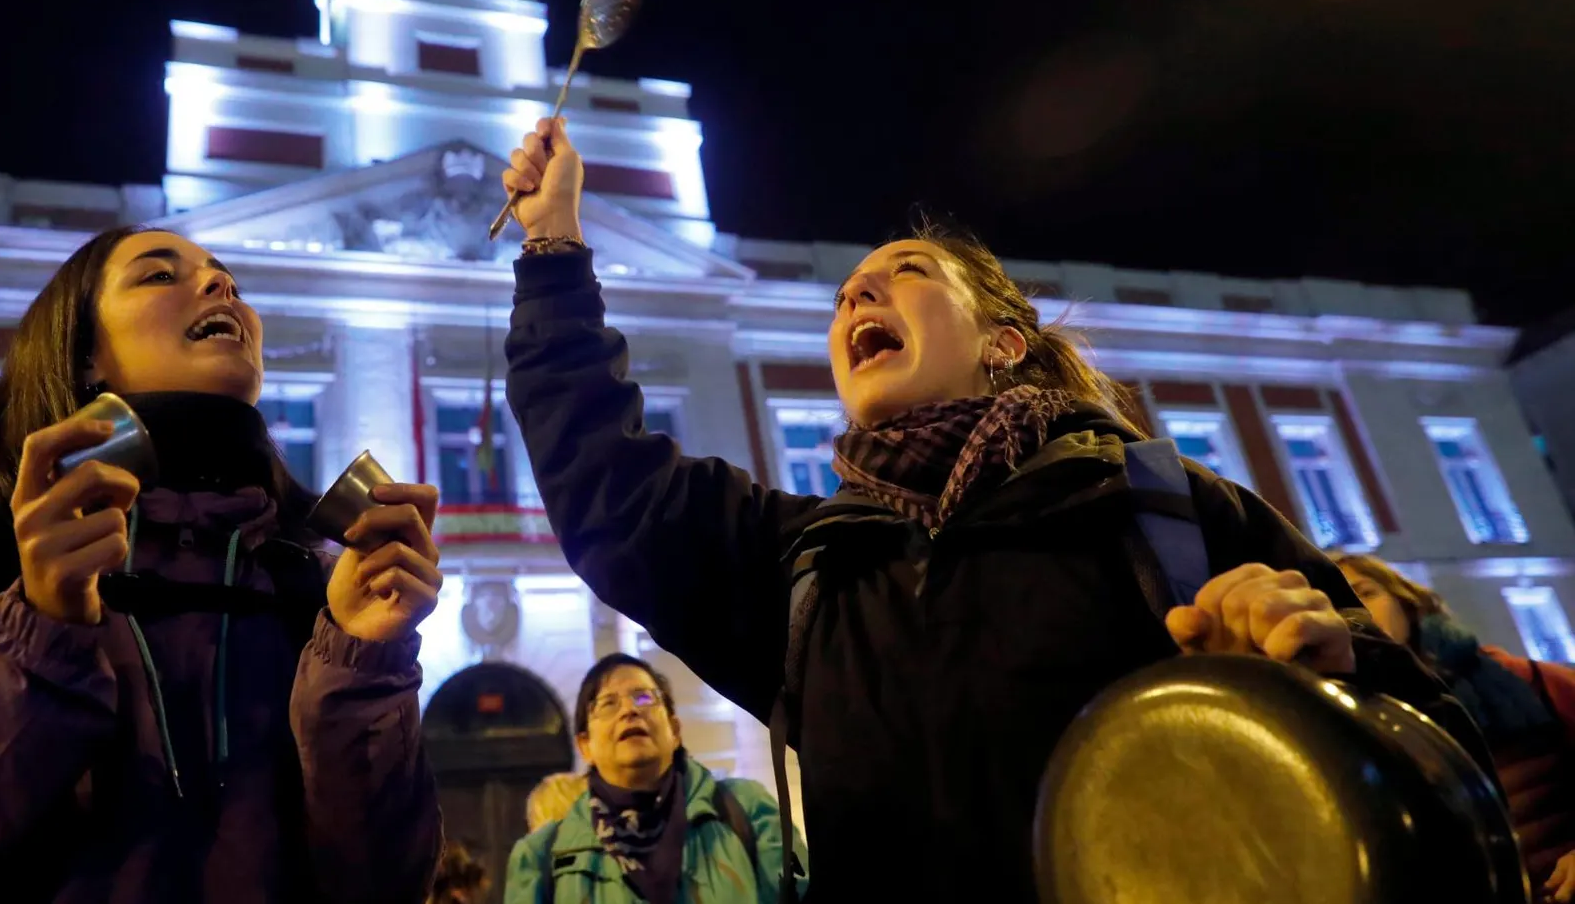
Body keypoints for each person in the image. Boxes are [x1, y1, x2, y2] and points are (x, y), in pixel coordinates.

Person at [496, 116, 1491, 900]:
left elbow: (1447, 762)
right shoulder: (809, 570)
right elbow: (607, 484)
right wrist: (550, 243)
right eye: (844, 296)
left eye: (903, 275)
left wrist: (1334, 683)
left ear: (1001, 342)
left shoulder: (1160, 511)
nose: (853, 300)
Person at [0, 226, 445, 903]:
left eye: (231, 283)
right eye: (160, 274)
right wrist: (32, 643)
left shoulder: (308, 586)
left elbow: (384, 883)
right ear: (83, 352)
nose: (226, 291)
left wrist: (363, 662)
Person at [1335, 553, 1575, 900]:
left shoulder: (1517, 678)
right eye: (1339, 606)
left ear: (1406, 601)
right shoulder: (1350, 718)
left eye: (1366, 593)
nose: (1359, 613)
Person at [506, 654, 807, 904]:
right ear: (585, 745)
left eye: (644, 697)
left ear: (674, 730)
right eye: (608, 703)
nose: (630, 711)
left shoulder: (746, 812)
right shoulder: (540, 857)